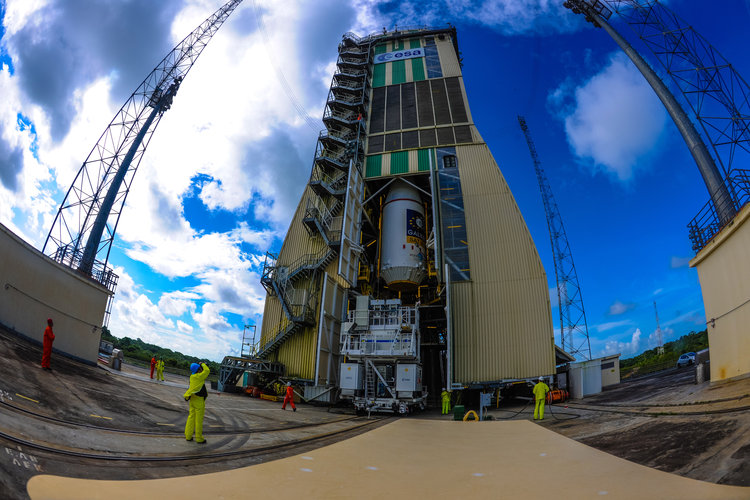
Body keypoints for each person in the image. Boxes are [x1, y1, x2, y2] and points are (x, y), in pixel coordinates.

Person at [184, 362, 210, 443]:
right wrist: (203, 364)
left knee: (191, 418)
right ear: (198, 369)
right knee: (199, 420)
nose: (201, 369)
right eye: (200, 368)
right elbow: (207, 371)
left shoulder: (192, 377)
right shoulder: (199, 377)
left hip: (192, 399)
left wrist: (200, 366)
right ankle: (199, 438)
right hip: (199, 400)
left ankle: (188, 436)